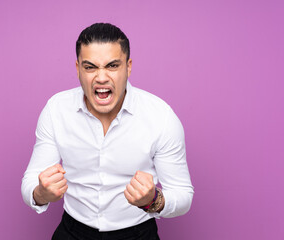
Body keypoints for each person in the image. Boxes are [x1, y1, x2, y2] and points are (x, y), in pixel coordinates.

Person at [21, 23, 194, 240]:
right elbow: (30, 180)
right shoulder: (56, 110)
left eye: (112, 66)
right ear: (77, 69)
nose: (101, 78)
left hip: (138, 234)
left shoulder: (161, 116)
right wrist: (40, 193)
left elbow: (183, 194)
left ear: (128, 67)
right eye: (90, 67)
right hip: (73, 231)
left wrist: (154, 200)